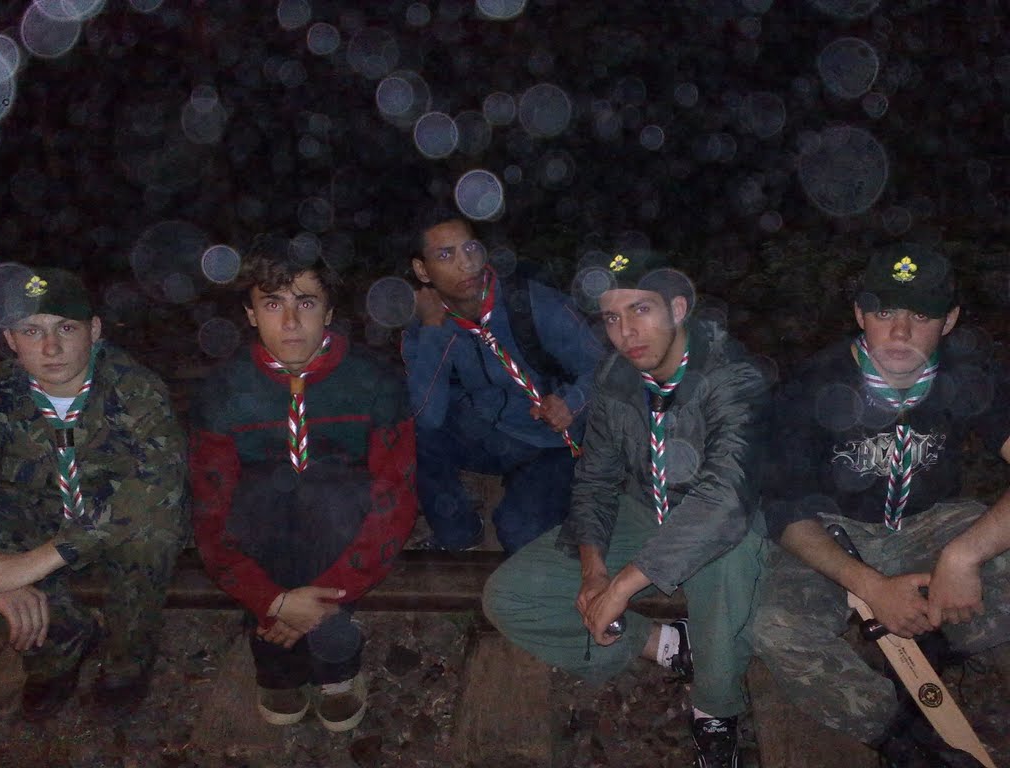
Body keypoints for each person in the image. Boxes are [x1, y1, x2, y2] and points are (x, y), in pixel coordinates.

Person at [484, 252, 770, 768]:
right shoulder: (615, 378)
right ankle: (667, 645)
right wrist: (593, 570)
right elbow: (595, 479)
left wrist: (622, 586)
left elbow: (725, 497)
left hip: (718, 518)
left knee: (729, 558)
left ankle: (716, 708)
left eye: (641, 309)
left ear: (677, 309)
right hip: (643, 509)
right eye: (613, 317)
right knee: (509, 596)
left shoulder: (732, 376)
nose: (626, 332)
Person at [751, 244, 1010, 766]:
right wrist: (869, 586)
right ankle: (899, 734)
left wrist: (963, 556)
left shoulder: (970, 373)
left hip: (931, 523)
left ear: (950, 320)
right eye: (885, 312)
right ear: (859, 314)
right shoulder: (809, 386)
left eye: (922, 316)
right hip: (835, 530)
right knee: (773, 625)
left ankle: (937, 644)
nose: (900, 332)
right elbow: (785, 513)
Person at [190, 239, 416, 731]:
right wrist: (274, 602)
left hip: (340, 523)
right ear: (250, 314)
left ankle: (335, 663)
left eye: (306, 303)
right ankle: (277, 661)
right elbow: (209, 510)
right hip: (264, 526)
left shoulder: (374, 382)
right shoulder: (224, 391)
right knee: (262, 494)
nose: (291, 322)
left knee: (332, 495)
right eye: (273, 304)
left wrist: (323, 604)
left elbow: (395, 498)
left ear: (329, 312)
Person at [0, 267, 188, 720]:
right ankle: (59, 645)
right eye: (31, 331)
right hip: (43, 516)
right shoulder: (0, 391)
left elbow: (158, 486)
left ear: (94, 330)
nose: (50, 348)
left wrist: (34, 563)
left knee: (152, 533)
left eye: (66, 328)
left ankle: (126, 662)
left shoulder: (134, 389)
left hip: (117, 527)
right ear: (11, 339)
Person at [401, 206, 604, 552]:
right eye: (445, 255)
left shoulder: (532, 303)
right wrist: (434, 329)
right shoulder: (425, 326)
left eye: (471, 249)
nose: (466, 264)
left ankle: (544, 496)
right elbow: (426, 416)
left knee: (520, 535)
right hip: (488, 434)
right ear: (422, 270)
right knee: (413, 430)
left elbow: (605, 368)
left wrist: (571, 403)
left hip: (551, 440)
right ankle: (460, 533)